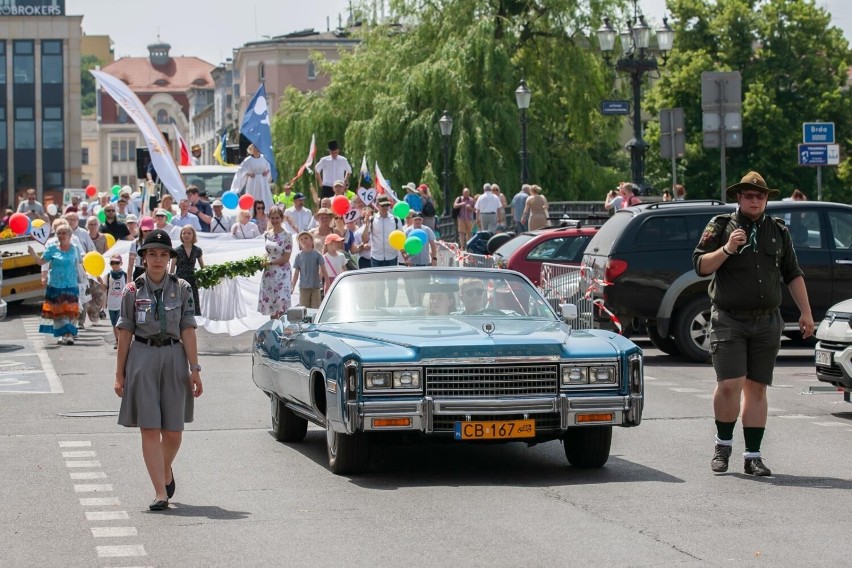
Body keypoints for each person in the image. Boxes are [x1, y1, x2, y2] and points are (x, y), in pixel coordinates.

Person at [693, 171, 814, 477]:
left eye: (760, 196)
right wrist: (728, 249)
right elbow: (700, 266)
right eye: (749, 196)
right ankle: (722, 447)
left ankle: (753, 456)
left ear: (766, 200)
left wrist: (806, 313)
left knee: (757, 388)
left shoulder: (778, 231)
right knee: (730, 383)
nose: (756, 201)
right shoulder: (721, 226)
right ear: (739, 198)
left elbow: (793, 274)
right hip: (729, 318)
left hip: (766, 321)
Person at [114, 228, 203, 511]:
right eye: (152, 254)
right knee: (150, 427)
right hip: (142, 356)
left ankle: (164, 470)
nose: (157, 259)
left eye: (163, 255)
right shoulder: (131, 291)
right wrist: (119, 374)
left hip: (174, 356)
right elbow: (125, 333)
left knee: (174, 431)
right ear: (143, 258)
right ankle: (159, 492)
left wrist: (195, 368)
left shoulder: (183, 288)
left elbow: (188, 330)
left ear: (169, 259)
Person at [27, 222, 81, 345]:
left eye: (64, 233)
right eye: (59, 233)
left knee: (71, 311)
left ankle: (70, 334)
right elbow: (41, 262)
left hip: (71, 284)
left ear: (70, 235)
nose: (61, 235)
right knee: (59, 312)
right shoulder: (52, 248)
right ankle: (62, 334)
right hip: (56, 285)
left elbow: (80, 264)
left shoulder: (75, 248)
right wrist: (33, 254)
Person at [362, 195, 401, 306]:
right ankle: (380, 307)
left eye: (387, 205)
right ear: (377, 206)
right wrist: (366, 225)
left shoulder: (396, 220)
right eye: (383, 206)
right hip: (376, 256)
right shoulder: (372, 219)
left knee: (392, 285)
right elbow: (365, 239)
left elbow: (400, 238)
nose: (385, 208)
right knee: (379, 285)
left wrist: (404, 255)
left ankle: (391, 307)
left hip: (391, 256)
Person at [257, 206, 293, 319]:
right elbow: (267, 252)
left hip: (282, 272)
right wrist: (263, 260)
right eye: (272, 218)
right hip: (269, 273)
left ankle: (283, 331)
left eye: (277, 218)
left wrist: (270, 263)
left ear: (281, 218)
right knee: (271, 304)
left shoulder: (287, 235)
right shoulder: (267, 234)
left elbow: (286, 257)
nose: (275, 220)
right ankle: (273, 332)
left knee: (281, 304)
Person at [171, 226, 205, 316]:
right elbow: (171, 268)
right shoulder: (176, 250)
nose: (186, 235)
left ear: (193, 235)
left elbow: (203, 268)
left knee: (193, 303)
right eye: (184, 233)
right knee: (180, 304)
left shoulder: (197, 250)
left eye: (189, 233)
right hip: (179, 280)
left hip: (192, 280)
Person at [232, 143, 274, 210]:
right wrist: (248, 173)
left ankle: (266, 210)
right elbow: (241, 170)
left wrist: (267, 171)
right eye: (255, 148)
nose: (257, 150)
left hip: (263, 181)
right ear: (252, 150)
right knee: (252, 196)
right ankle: (251, 211)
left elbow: (269, 167)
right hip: (253, 181)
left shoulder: (264, 158)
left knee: (265, 196)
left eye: (258, 148)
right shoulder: (248, 160)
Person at [291, 231, 327, 309]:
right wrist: (292, 286)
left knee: (315, 308)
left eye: (306, 238)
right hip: (303, 287)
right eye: (301, 239)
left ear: (311, 240)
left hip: (315, 287)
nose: (304, 240)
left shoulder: (317, 254)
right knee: (304, 309)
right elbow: (296, 273)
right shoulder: (298, 256)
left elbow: (323, 269)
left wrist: (327, 282)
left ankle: (314, 321)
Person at [104, 255, 127, 349]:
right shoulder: (108, 275)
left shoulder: (125, 275)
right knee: (114, 324)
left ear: (121, 263)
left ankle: (122, 341)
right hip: (111, 303)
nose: (114, 265)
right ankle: (117, 340)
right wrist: (99, 280)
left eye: (117, 263)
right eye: (112, 263)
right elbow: (104, 288)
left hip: (121, 303)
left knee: (120, 323)